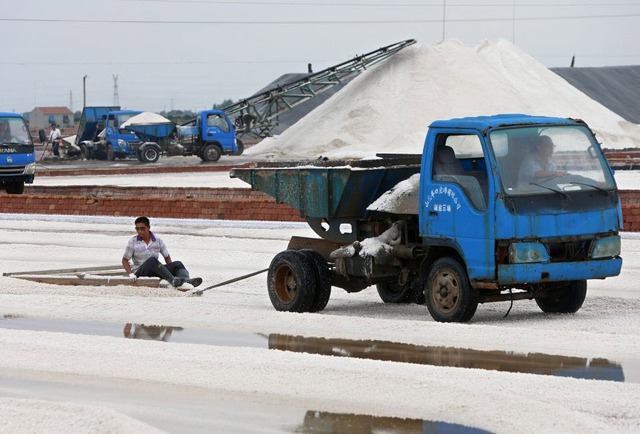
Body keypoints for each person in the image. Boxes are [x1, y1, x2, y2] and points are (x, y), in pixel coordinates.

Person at [122, 216, 203, 291]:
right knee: (152, 260)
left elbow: (167, 257)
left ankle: (186, 281)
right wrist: (131, 273)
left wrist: (170, 271)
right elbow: (125, 260)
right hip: (140, 272)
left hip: (155, 271)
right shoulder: (133, 241)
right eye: (137, 229)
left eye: (142, 228)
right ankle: (173, 280)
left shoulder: (158, 240)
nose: (139, 231)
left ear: (149, 227)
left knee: (178, 264)